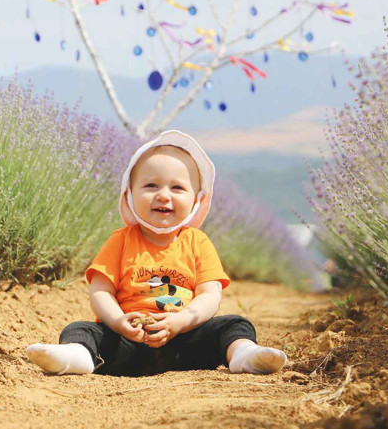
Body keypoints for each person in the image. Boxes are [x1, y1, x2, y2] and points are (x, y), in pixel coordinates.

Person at [26, 130, 288, 376]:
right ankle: (77, 357)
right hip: (127, 344)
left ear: (196, 199)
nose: (163, 195)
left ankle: (244, 355)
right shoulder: (120, 241)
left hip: (184, 344)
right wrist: (118, 322)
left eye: (177, 188)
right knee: (80, 329)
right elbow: (100, 290)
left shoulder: (197, 242)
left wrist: (180, 322)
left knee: (235, 325)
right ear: (129, 193)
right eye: (151, 185)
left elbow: (210, 295)